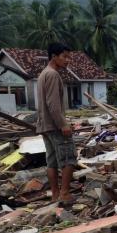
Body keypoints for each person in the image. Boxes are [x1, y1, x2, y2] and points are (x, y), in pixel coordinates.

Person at [36, 42, 77, 204]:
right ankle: (64, 194)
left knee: (52, 161)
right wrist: (63, 125)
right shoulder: (52, 75)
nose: (68, 60)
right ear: (54, 56)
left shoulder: (43, 74)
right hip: (54, 126)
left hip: (45, 125)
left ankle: (55, 195)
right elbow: (53, 104)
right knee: (69, 158)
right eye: (65, 57)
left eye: (69, 57)